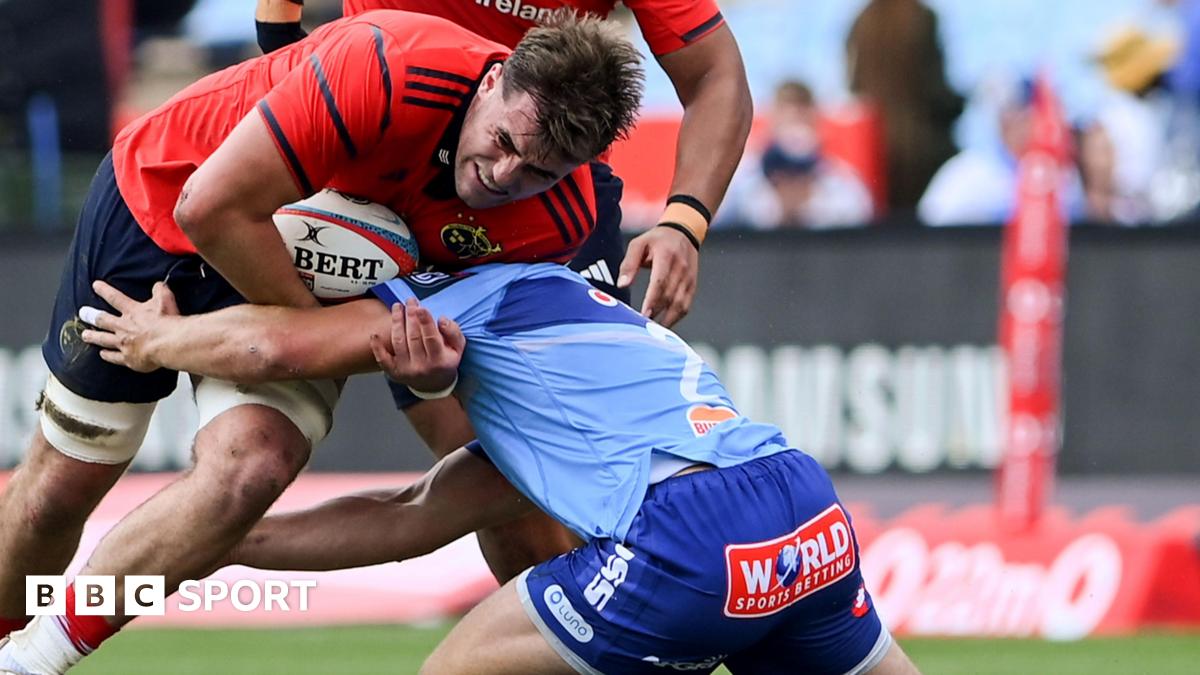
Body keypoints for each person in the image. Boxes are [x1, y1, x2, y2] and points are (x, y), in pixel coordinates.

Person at [0, 11, 643, 671]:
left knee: (252, 470)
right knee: (58, 492)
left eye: (541, 171)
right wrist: (252, 332)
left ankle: (31, 662)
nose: (507, 176)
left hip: (310, 284)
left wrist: (426, 375)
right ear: (493, 81)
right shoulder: (388, 66)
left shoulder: (558, 221)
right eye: (504, 140)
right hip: (165, 206)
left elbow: (378, 336)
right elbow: (208, 207)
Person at [72, 264, 921, 675]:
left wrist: (157, 341)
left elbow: (277, 343)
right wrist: (224, 541)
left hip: (685, 531)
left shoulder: (465, 293)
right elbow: (407, 516)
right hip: (802, 506)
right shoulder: (575, 359)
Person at [254, 0, 753, 581]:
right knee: (494, 483)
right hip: (391, 186)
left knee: (560, 462)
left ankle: (614, 623)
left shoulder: (552, 199)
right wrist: (294, 58)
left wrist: (684, 220)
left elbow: (717, 72)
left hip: (546, 198)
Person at [846, 0, 963, 214]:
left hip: (877, 147)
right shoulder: (922, 18)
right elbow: (935, 90)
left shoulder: (862, 20)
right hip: (922, 149)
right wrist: (963, 103)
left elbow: (854, 86)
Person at [718, 81, 873, 229]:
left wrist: (811, 210)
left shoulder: (841, 183)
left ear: (814, 123)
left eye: (801, 119)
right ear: (773, 121)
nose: (794, 136)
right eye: (787, 120)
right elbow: (715, 225)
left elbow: (866, 228)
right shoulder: (742, 177)